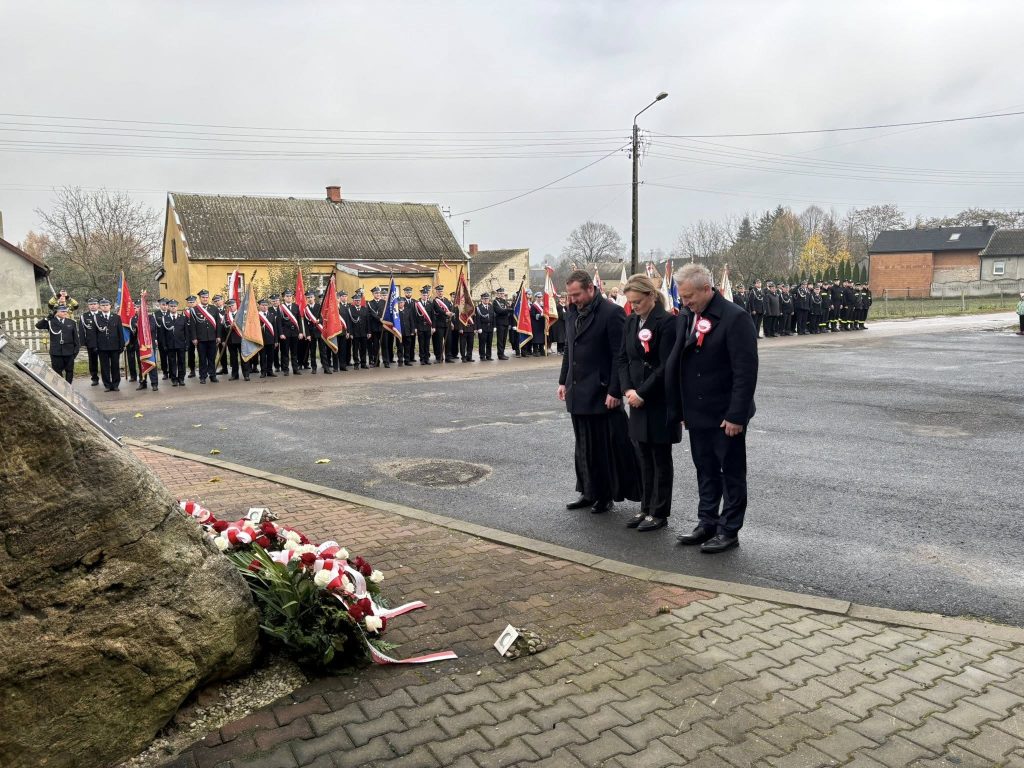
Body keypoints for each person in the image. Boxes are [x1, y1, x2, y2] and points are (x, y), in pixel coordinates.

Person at [666, 264, 758, 554]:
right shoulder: (687, 316)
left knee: (731, 473)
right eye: (682, 297)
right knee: (705, 470)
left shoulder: (735, 317)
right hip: (696, 412)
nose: (685, 302)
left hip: (725, 414)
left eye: (689, 296)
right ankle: (707, 522)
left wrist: (736, 415)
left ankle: (729, 530)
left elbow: (745, 372)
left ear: (707, 289)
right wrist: (681, 409)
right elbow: (681, 363)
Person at [558, 269, 641, 515]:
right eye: (570, 295)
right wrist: (563, 381)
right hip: (577, 390)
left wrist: (615, 390)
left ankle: (605, 495)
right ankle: (588, 490)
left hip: (602, 392)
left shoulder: (611, 313)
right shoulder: (573, 312)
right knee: (583, 446)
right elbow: (569, 348)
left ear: (590, 289)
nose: (573, 299)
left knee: (603, 447)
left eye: (577, 294)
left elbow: (620, 355)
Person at [617, 275, 680, 532]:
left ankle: (659, 511)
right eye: (631, 302)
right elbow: (623, 358)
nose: (634, 307)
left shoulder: (667, 322)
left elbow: (666, 365)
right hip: (636, 399)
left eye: (638, 302)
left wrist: (642, 392)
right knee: (643, 456)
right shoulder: (631, 321)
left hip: (657, 399)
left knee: (659, 458)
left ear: (651, 296)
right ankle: (645, 507)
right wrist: (627, 389)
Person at [35, 304, 80, 383]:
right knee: (57, 371)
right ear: (56, 312)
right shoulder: (51, 322)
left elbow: (76, 338)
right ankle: (61, 385)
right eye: (62, 311)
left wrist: (75, 351)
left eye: (65, 311)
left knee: (69, 370)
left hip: (69, 351)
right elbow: (38, 326)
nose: (65, 313)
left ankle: (69, 386)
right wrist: (47, 318)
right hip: (56, 352)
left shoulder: (71, 322)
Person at [190, 289, 222, 383]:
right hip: (201, 339)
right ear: (200, 298)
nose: (205, 299)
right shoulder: (194, 310)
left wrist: (218, 336)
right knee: (202, 359)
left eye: (206, 297)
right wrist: (194, 338)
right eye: (203, 297)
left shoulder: (214, 308)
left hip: (212, 338)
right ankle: (203, 376)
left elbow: (218, 323)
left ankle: (212, 375)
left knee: (212, 358)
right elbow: (192, 325)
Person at [94, 298, 125, 392]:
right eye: (103, 305)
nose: (105, 307)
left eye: (106, 305)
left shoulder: (116, 317)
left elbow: (120, 332)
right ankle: (107, 385)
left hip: (114, 346)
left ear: (110, 306)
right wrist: (95, 345)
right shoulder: (96, 317)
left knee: (115, 366)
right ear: (100, 307)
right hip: (102, 346)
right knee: (104, 367)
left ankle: (115, 384)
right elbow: (94, 333)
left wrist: (122, 345)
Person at [277, 289, 304, 375]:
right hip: (285, 334)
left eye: (290, 296)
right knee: (285, 352)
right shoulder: (280, 307)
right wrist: (281, 333)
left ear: (292, 297)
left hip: (295, 333)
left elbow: (299, 320)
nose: (289, 297)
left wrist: (301, 332)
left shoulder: (296, 306)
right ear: (284, 297)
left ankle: (295, 369)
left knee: (294, 352)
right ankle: (286, 370)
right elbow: (279, 322)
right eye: (287, 296)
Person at [164, 299, 189, 386]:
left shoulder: (182, 318)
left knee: (182, 362)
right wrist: (164, 345)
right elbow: (163, 334)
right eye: (171, 306)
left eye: (174, 306)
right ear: (168, 307)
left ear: (177, 307)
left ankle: (181, 379)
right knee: (172, 362)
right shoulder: (165, 318)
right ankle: (174, 379)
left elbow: (186, 332)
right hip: (170, 344)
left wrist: (187, 344)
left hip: (181, 344)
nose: (173, 308)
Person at [78, 298, 101, 386]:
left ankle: (106, 378)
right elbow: (81, 330)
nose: (93, 306)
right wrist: (83, 343)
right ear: (88, 306)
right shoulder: (84, 316)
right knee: (92, 361)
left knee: (104, 361)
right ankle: (94, 378)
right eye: (91, 304)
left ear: (98, 305)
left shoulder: (102, 314)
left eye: (94, 304)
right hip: (91, 342)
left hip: (103, 342)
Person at [256, 298, 280, 377]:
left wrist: (276, 340)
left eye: (266, 305)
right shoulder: (257, 316)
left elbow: (275, 329)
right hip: (261, 340)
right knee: (262, 357)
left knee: (271, 356)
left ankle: (270, 371)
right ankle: (263, 372)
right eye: (262, 305)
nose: (264, 307)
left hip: (271, 340)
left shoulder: (272, 315)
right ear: (259, 306)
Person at [492, 287, 512, 360]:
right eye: (500, 293)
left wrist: (508, 310)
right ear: (497, 294)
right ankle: (500, 354)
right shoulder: (495, 302)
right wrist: (507, 310)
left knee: (504, 339)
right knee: (500, 340)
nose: (502, 294)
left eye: (503, 293)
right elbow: (499, 311)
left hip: (506, 322)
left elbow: (509, 309)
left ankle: (502, 353)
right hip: (500, 323)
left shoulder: (505, 301)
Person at [476, 293, 495, 361]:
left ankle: (488, 356)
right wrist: (479, 328)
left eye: (487, 298)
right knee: (482, 343)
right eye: (485, 299)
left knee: (489, 342)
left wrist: (494, 326)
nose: (486, 300)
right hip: (483, 327)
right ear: (482, 299)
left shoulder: (490, 306)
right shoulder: (478, 308)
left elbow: (493, 317)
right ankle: (482, 356)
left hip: (490, 327)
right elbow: (477, 319)